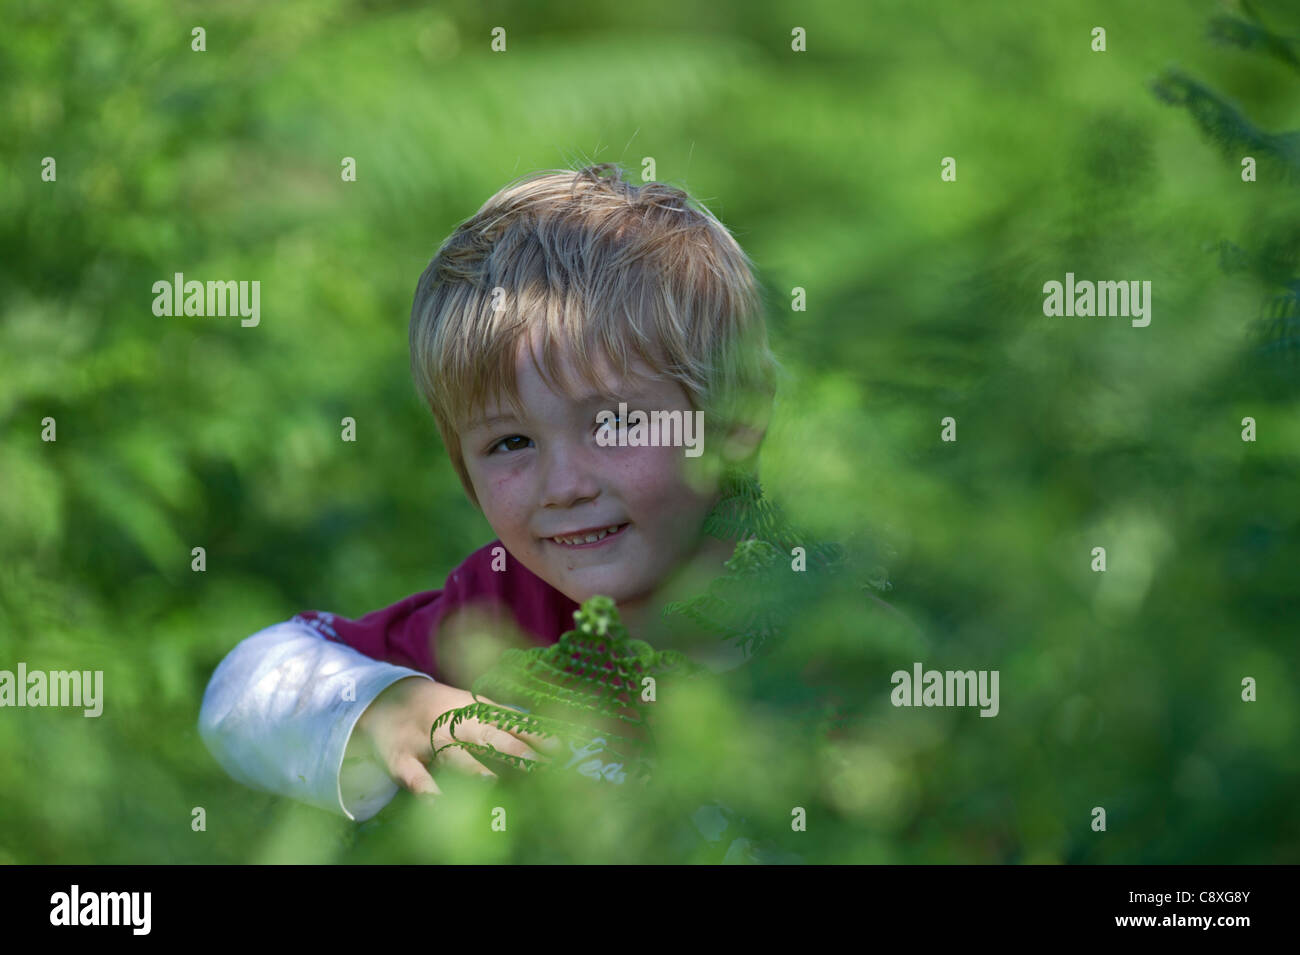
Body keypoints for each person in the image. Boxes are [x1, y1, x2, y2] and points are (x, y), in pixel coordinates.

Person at [198, 163, 784, 823]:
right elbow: (245, 689)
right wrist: (399, 707)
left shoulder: (835, 611)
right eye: (510, 443)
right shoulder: (499, 610)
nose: (563, 485)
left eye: (615, 423)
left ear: (737, 413)